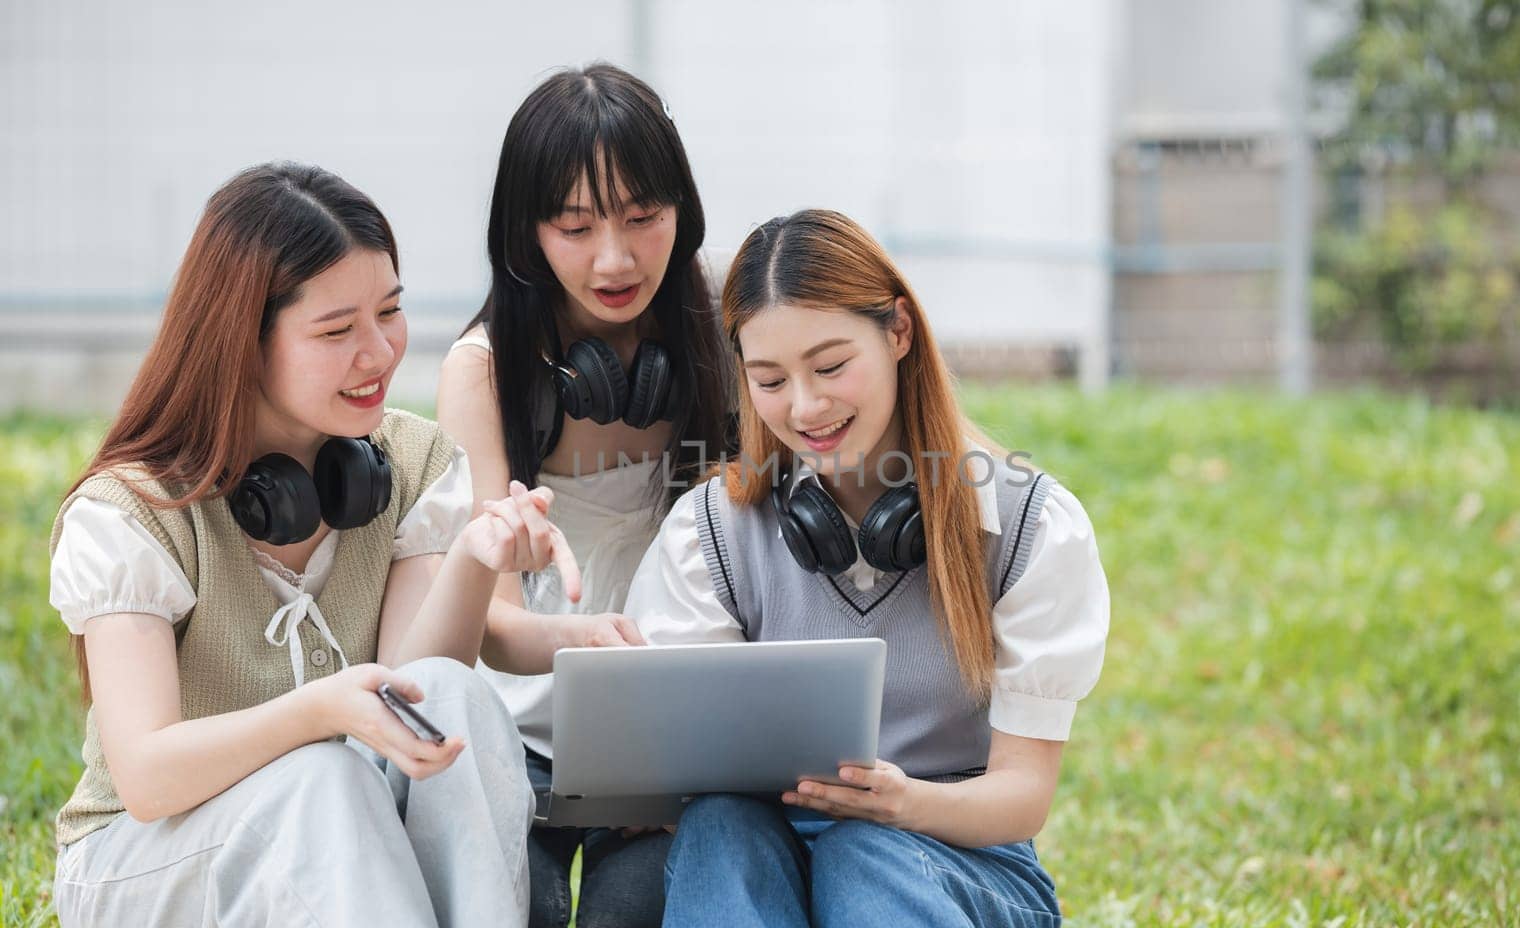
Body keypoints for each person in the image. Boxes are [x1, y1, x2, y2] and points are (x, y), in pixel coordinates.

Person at [47, 162, 578, 928]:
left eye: (390, 312)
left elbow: (410, 691)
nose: (380, 353)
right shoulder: (134, 510)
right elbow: (148, 776)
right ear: (243, 343)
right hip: (148, 855)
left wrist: (472, 558)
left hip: (341, 829)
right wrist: (315, 714)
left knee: (458, 698)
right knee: (322, 778)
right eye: (336, 331)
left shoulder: (409, 461)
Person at [624, 209, 1111, 927]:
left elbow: (1022, 797)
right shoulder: (712, 534)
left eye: (829, 367)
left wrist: (905, 804)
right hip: (771, 859)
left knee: (865, 852)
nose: (806, 406)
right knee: (720, 825)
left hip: (959, 861)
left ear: (899, 333)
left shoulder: (1026, 525)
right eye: (770, 379)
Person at [434, 63, 733, 928]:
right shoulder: (484, 371)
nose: (616, 257)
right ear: (528, 235)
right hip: (517, 736)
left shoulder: (718, 342)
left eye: (645, 218)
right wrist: (580, 641)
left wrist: (681, 750)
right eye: (576, 226)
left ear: (684, 211)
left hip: (665, 735)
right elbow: (485, 626)